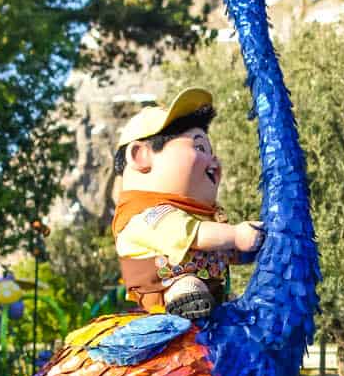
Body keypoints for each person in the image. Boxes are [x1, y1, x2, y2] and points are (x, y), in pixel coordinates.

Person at [112, 94, 264, 320]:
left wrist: (253, 247)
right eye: (200, 148)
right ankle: (185, 299)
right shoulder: (146, 215)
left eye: (211, 152)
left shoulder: (203, 216)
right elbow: (190, 233)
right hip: (169, 287)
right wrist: (236, 234)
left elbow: (221, 248)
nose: (214, 161)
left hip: (212, 289)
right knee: (186, 285)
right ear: (140, 156)